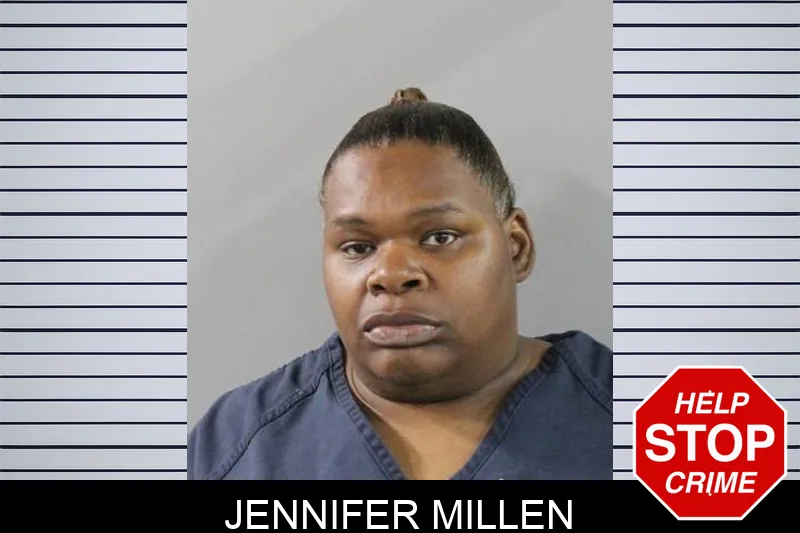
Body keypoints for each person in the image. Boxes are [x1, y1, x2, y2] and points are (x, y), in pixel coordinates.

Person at [188, 88, 612, 480]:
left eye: (439, 237)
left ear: (516, 248)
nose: (390, 274)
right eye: (358, 247)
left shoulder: (641, 423)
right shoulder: (234, 447)